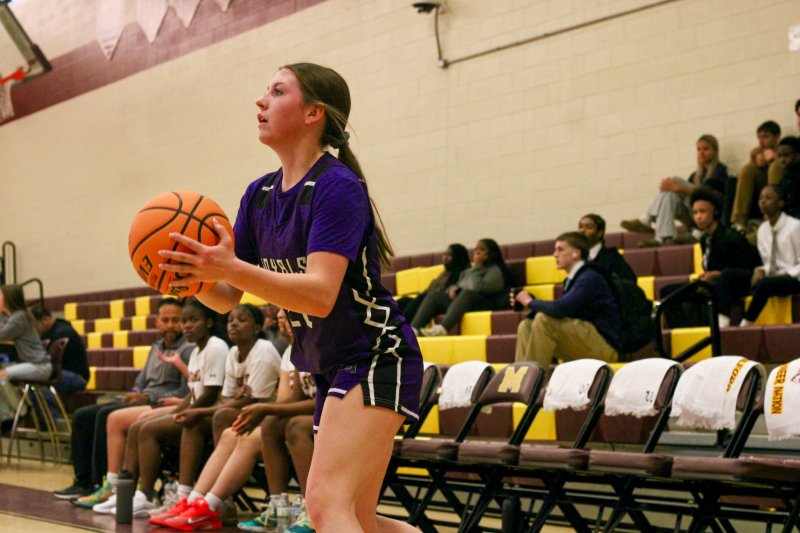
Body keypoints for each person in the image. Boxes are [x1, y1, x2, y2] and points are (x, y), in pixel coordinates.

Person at [158, 62, 423, 532]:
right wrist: (191, 276)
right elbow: (226, 298)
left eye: (277, 92)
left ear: (312, 113)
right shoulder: (259, 195)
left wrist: (230, 267)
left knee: (324, 506)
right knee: (358, 516)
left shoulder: (337, 186)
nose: (261, 101)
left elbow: (321, 295)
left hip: (375, 354)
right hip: (328, 363)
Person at [153, 310, 316, 532]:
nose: (281, 323)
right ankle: (199, 500)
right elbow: (289, 399)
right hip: (293, 417)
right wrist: (264, 407)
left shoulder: (311, 347)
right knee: (237, 428)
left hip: (328, 418)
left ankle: (313, 509)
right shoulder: (293, 351)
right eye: (279, 318)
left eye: (286, 318)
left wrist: (264, 407)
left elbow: (319, 400)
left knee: (278, 427)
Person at [89, 299, 229, 518]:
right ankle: (129, 493)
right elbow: (193, 394)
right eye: (185, 321)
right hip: (194, 406)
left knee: (148, 430)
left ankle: (154, 494)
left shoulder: (216, 347)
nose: (187, 326)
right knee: (138, 425)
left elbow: (210, 394)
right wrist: (172, 413)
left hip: (211, 412)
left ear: (209, 322)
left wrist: (179, 413)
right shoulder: (195, 353)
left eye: (193, 320)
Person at [53, 298, 194, 502]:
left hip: (160, 402)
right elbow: (141, 380)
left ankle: (102, 482)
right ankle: (82, 482)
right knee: (83, 416)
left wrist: (148, 396)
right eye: (166, 320)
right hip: (142, 398)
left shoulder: (187, 349)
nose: (171, 325)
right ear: (157, 322)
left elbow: (183, 391)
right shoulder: (156, 346)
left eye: (175, 320)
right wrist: (135, 392)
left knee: (105, 415)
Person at [513, 232, 620, 367]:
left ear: (576, 253)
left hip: (603, 347)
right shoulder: (572, 280)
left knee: (543, 320)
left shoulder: (590, 278)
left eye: (560, 249)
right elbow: (565, 313)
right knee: (526, 325)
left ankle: (534, 381)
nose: (555, 254)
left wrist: (530, 301)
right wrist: (529, 309)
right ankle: (523, 378)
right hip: (584, 341)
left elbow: (560, 309)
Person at [658, 187, 761, 328]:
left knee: (725, 277)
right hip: (714, 285)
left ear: (716, 212)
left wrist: (717, 275)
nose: (698, 217)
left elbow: (747, 271)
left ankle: (722, 324)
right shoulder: (705, 239)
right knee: (667, 292)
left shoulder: (731, 237)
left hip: (734, 284)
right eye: (695, 213)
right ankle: (683, 332)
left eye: (703, 212)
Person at [621, 134, 729, 246]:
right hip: (692, 216)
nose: (701, 153)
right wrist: (672, 189)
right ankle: (663, 238)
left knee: (675, 181)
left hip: (709, 215)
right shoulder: (694, 176)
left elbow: (709, 196)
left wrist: (679, 187)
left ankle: (646, 219)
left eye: (706, 149)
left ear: (715, 151)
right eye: (698, 149)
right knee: (669, 195)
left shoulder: (720, 170)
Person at [410, 238, 515, 337]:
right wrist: (452, 288)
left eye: (482, 250)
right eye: (476, 249)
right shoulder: (467, 271)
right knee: (434, 296)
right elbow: (460, 285)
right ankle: (412, 330)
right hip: (462, 301)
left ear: (490, 253)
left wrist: (477, 266)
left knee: (467, 293)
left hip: (483, 301)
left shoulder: (495, 270)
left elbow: (478, 288)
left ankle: (442, 329)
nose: (477, 252)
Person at [738, 185, 800, 326]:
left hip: (794, 278)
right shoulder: (762, 229)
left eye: (768, 198)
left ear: (780, 203)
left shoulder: (795, 226)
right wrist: (762, 269)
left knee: (765, 284)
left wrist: (787, 275)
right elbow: (768, 262)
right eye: (761, 198)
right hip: (774, 277)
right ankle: (721, 323)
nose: (763, 202)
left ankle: (745, 324)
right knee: (731, 275)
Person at [0, 285, 52, 424]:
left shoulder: (19, 317)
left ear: (8, 299)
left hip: (39, 366)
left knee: (1, 376)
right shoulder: (13, 317)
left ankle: (20, 411)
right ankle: (7, 415)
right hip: (32, 364)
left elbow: (2, 334)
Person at [396, 243, 470, 324]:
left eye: (449, 255)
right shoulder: (445, 273)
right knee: (404, 300)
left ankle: (401, 326)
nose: (445, 257)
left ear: (458, 257)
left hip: (442, 302)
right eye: (445, 254)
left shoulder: (463, 273)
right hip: (429, 299)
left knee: (421, 298)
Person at [30, 304, 89, 405]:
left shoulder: (61, 333)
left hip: (75, 376)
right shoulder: (54, 331)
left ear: (45, 319)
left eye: (35, 326)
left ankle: (51, 418)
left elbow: (47, 362)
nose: (34, 330)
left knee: (37, 386)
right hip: (66, 374)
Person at [731, 120, 781, 230]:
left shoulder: (785, 149)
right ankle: (738, 222)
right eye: (759, 138)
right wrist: (752, 161)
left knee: (774, 167)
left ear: (777, 137)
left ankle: (770, 217)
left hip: (781, 187)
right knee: (747, 169)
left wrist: (774, 158)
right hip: (762, 187)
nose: (761, 142)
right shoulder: (759, 152)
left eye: (766, 137)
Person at [577, 214, 636, 282]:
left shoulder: (612, 258)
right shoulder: (577, 258)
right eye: (580, 226)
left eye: (588, 227)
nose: (582, 231)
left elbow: (628, 283)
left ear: (600, 233)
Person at [776, 136, 800, 218]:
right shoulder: (786, 177)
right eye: (779, 156)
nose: (782, 160)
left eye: (786, 155)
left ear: (797, 156)